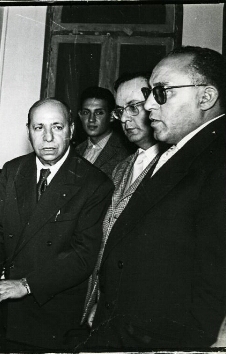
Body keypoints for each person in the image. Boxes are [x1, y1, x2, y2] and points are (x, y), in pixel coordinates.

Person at [0, 98, 113, 351]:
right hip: (3, 305)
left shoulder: (94, 183)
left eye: (57, 127)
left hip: (50, 308)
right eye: (39, 127)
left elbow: (83, 255)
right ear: (28, 131)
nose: (48, 137)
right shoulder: (13, 170)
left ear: (72, 130)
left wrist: (27, 285)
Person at [84, 46, 226, 349]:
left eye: (161, 92)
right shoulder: (183, 150)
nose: (149, 104)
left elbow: (212, 284)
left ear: (206, 97)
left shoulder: (218, 158)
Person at [81, 72, 165, 328]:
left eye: (133, 107)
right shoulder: (122, 168)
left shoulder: (170, 166)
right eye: (120, 111)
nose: (125, 119)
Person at [76, 86, 135, 177]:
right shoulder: (76, 151)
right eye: (86, 112)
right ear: (80, 116)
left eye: (99, 113)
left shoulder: (125, 151)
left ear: (112, 116)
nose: (91, 119)